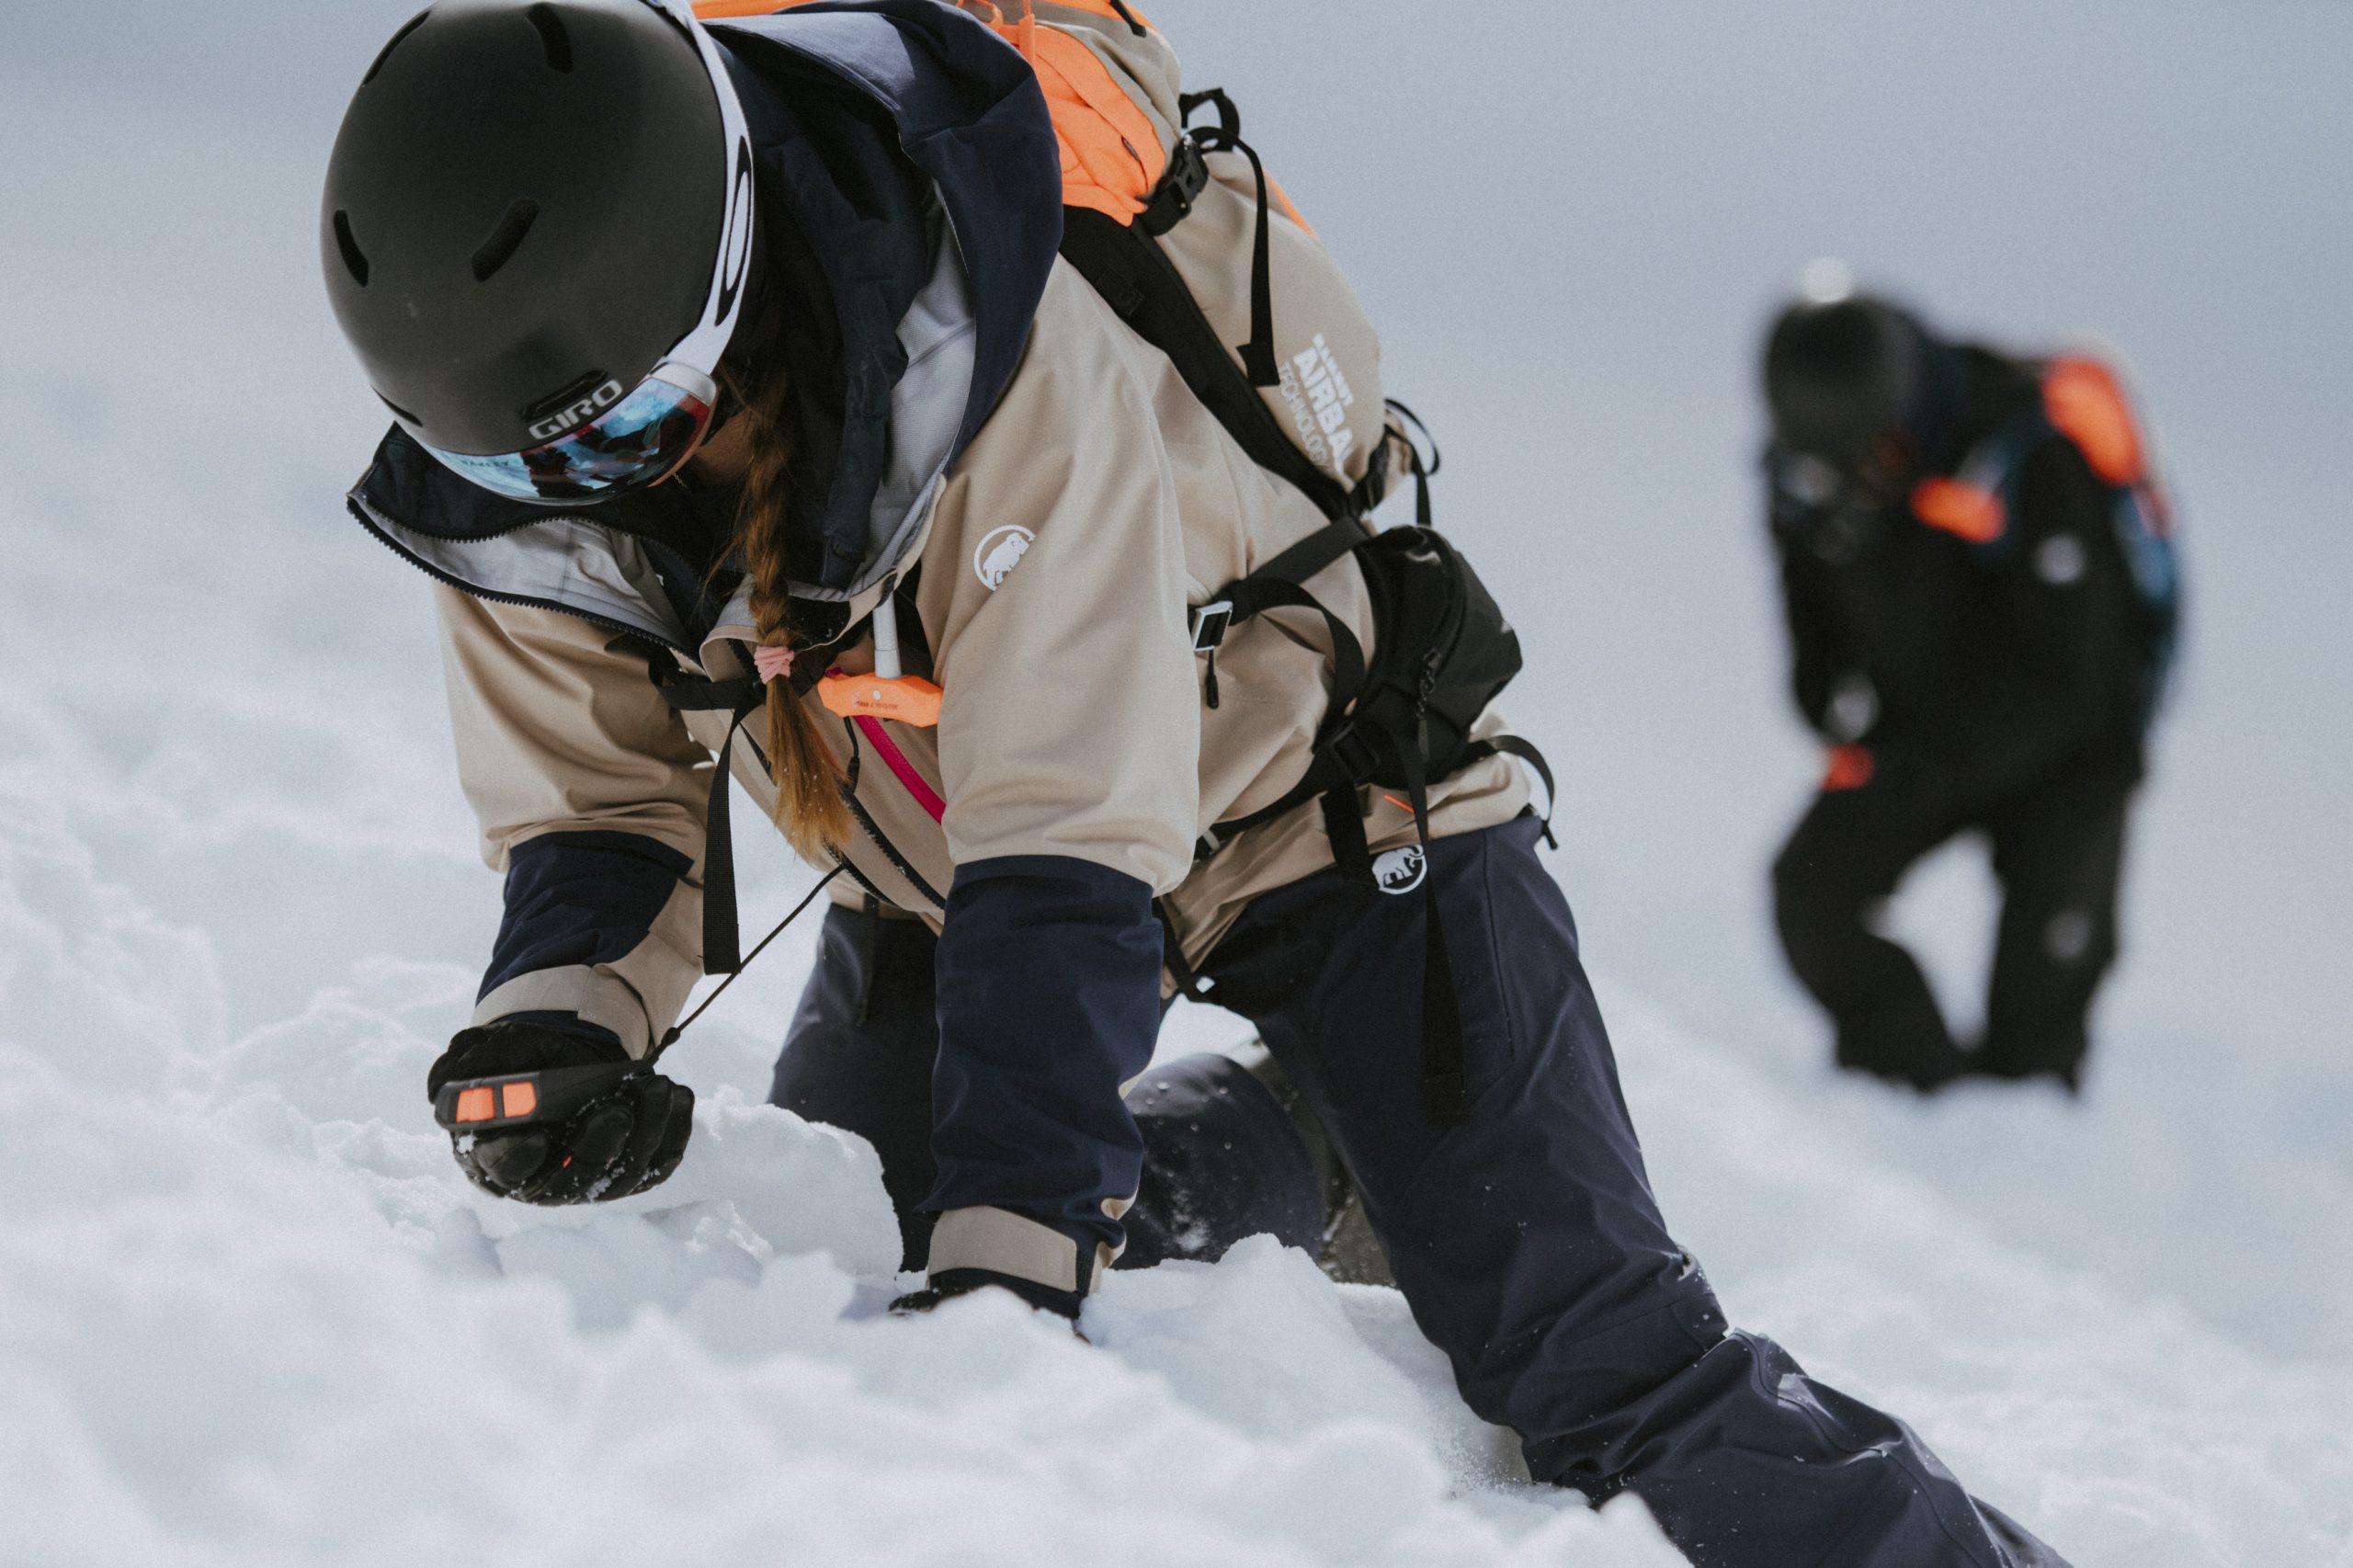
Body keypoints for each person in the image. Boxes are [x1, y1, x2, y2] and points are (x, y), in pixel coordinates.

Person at [322, 2, 2070, 1560]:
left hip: (1330, 808)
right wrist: (550, 1034)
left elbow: (1064, 836)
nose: (578, 490)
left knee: (1601, 1369)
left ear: (722, 298)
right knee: (868, 1231)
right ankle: (1307, 1145)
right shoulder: (541, 463)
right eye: (499, 463)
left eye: (617, 436)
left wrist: (1008, 1263)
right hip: (948, 858)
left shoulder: (997, 362)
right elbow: (600, 799)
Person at [1759, 284, 2173, 1093]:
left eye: (1871, 460)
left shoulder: (2026, 455)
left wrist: (1934, 764)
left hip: (2074, 755)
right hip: (1922, 733)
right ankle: (1916, 1093)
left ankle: (2026, 1150)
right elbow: (1804, 579)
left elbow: (2075, 681)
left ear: (1901, 414)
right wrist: (1822, 689)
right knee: (1813, 895)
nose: (1847, 482)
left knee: (2037, 1034)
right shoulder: (1810, 461)